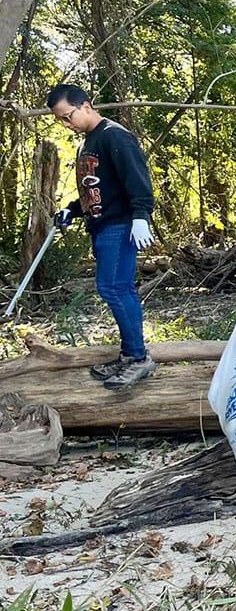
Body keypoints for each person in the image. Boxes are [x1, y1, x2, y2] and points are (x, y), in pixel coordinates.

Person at [49, 84, 158, 391]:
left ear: (85, 105)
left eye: (68, 116)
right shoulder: (89, 142)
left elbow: (137, 177)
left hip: (120, 225)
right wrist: (72, 209)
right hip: (100, 224)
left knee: (114, 287)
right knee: (113, 287)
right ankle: (128, 354)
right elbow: (95, 188)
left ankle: (138, 357)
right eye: (61, 120)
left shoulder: (115, 136)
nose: (66, 124)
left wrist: (141, 215)